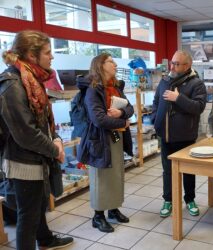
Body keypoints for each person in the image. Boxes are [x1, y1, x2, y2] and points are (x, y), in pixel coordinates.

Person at [0, 30, 73, 250]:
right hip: (23, 162)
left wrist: (57, 139)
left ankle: (45, 239)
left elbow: (43, 120)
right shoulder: (13, 85)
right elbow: (26, 134)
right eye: (48, 53)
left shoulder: (30, 77)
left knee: (39, 205)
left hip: (37, 158)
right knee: (28, 216)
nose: (52, 57)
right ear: (32, 55)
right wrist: (55, 149)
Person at [78, 53, 134, 232]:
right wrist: (123, 122)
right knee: (101, 178)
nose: (115, 64)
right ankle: (98, 216)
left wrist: (121, 114)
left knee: (116, 174)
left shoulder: (116, 87)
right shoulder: (93, 89)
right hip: (99, 141)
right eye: (111, 61)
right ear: (101, 65)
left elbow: (130, 107)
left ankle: (113, 209)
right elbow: (99, 119)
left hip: (115, 138)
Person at [152, 50, 206, 217]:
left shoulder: (196, 83)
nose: (172, 66)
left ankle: (190, 199)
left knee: (188, 171)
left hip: (186, 136)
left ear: (187, 65)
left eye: (176, 63)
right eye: (172, 62)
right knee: (167, 171)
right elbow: (156, 102)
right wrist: (156, 120)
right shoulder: (165, 81)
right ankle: (168, 200)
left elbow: (199, 107)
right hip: (166, 135)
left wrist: (178, 98)